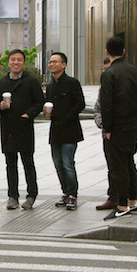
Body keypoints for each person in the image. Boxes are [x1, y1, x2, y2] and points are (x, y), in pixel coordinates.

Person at [0, 49, 46, 210]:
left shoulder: (31, 81)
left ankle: (31, 194)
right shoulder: (1, 83)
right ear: (8, 62)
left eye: (19, 60)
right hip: (8, 128)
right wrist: (0, 106)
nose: (16, 62)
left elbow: (39, 102)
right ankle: (12, 196)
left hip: (24, 127)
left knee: (28, 162)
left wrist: (29, 114)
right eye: (13, 59)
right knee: (10, 164)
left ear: (23, 62)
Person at [99, 36, 137, 219]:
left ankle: (122, 204)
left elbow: (107, 103)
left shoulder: (109, 74)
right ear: (124, 51)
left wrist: (107, 128)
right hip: (133, 125)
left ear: (107, 52)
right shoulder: (133, 70)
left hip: (117, 127)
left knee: (118, 167)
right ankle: (134, 200)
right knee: (128, 162)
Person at [44, 52, 85, 211]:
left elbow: (79, 104)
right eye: (50, 62)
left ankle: (73, 195)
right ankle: (65, 192)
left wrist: (67, 118)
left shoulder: (72, 83)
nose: (52, 64)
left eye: (55, 62)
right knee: (58, 163)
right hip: (55, 131)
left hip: (70, 130)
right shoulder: (50, 86)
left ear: (64, 64)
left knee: (68, 163)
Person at [93, 56, 120, 210]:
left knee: (126, 164)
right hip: (106, 132)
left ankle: (134, 196)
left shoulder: (123, 84)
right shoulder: (104, 87)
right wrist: (102, 124)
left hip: (122, 131)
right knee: (112, 165)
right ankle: (114, 196)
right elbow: (98, 108)